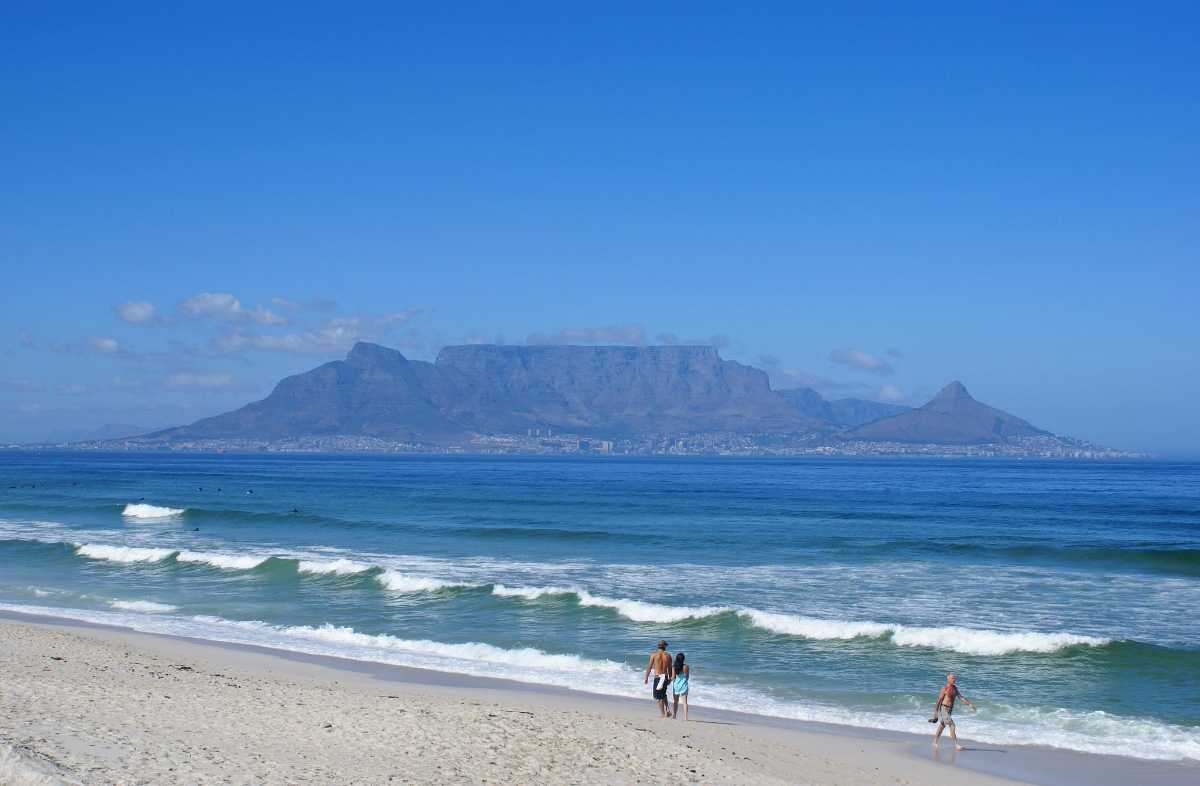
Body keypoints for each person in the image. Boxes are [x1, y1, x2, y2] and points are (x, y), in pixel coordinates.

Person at [929, 673, 976, 750]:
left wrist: (970, 704)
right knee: (952, 725)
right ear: (948, 679)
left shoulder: (955, 688)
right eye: (952, 678)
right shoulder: (944, 688)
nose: (954, 679)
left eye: (954, 678)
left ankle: (934, 741)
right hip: (944, 708)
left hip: (950, 710)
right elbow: (938, 701)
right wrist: (936, 713)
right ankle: (956, 744)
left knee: (942, 726)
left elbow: (961, 697)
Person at [643, 640, 674, 717]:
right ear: (665, 646)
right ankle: (667, 709)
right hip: (665, 677)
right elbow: (670, 668)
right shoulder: (668, 656)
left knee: (657, 697)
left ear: (658, 646)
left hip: (658, 677)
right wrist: (670, 678)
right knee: (663, 694)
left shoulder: (653, 655)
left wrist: (646, 677)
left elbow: (649, 667)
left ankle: (663, 714)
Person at [671, 652, 690, 721]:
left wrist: (668, 680)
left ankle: (674, 715)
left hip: (676, 685)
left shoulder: (674, 666)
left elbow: (673, 677)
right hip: (684, 685)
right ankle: (685, 718)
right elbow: (687, 677)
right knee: (685, 702)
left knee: (675, 701)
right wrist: (685, 680)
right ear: (683, 659)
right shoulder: (686, 666)